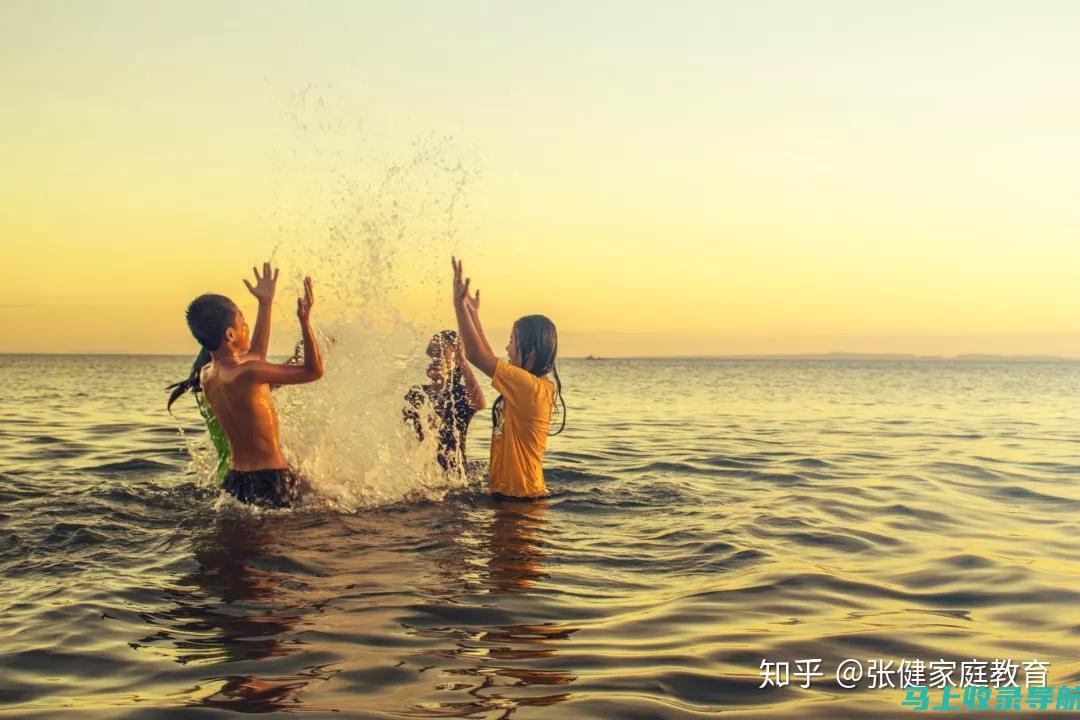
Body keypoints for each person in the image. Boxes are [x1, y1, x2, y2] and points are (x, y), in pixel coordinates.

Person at [169, 262, 324, 507]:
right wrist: (305, 321)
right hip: (271, 478)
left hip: (235, 479)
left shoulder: (207, 375)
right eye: (243, 321)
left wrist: (265, 304)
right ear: (230, 334)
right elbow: (312, 371)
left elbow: (256, 354)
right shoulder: (248, 372)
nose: (246, 326)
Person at [450, 257, 565, 500]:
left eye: (512, 342)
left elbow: (476, 355)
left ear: (531, 352)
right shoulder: (530, 385)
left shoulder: (530, 388)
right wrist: (473, 315)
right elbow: (488, 355)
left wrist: (459, 307)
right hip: (513, 499)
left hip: (520, 504)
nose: (508, 348)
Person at [403, 330, 486, 472]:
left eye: (440, 354)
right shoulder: (417, 393)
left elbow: (479, 403)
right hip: (424, 474)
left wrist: (462, 359)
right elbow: (404, 433)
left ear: (456, 361)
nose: (433, 360)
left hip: (454, 475)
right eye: (431, 355)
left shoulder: (458, 395)